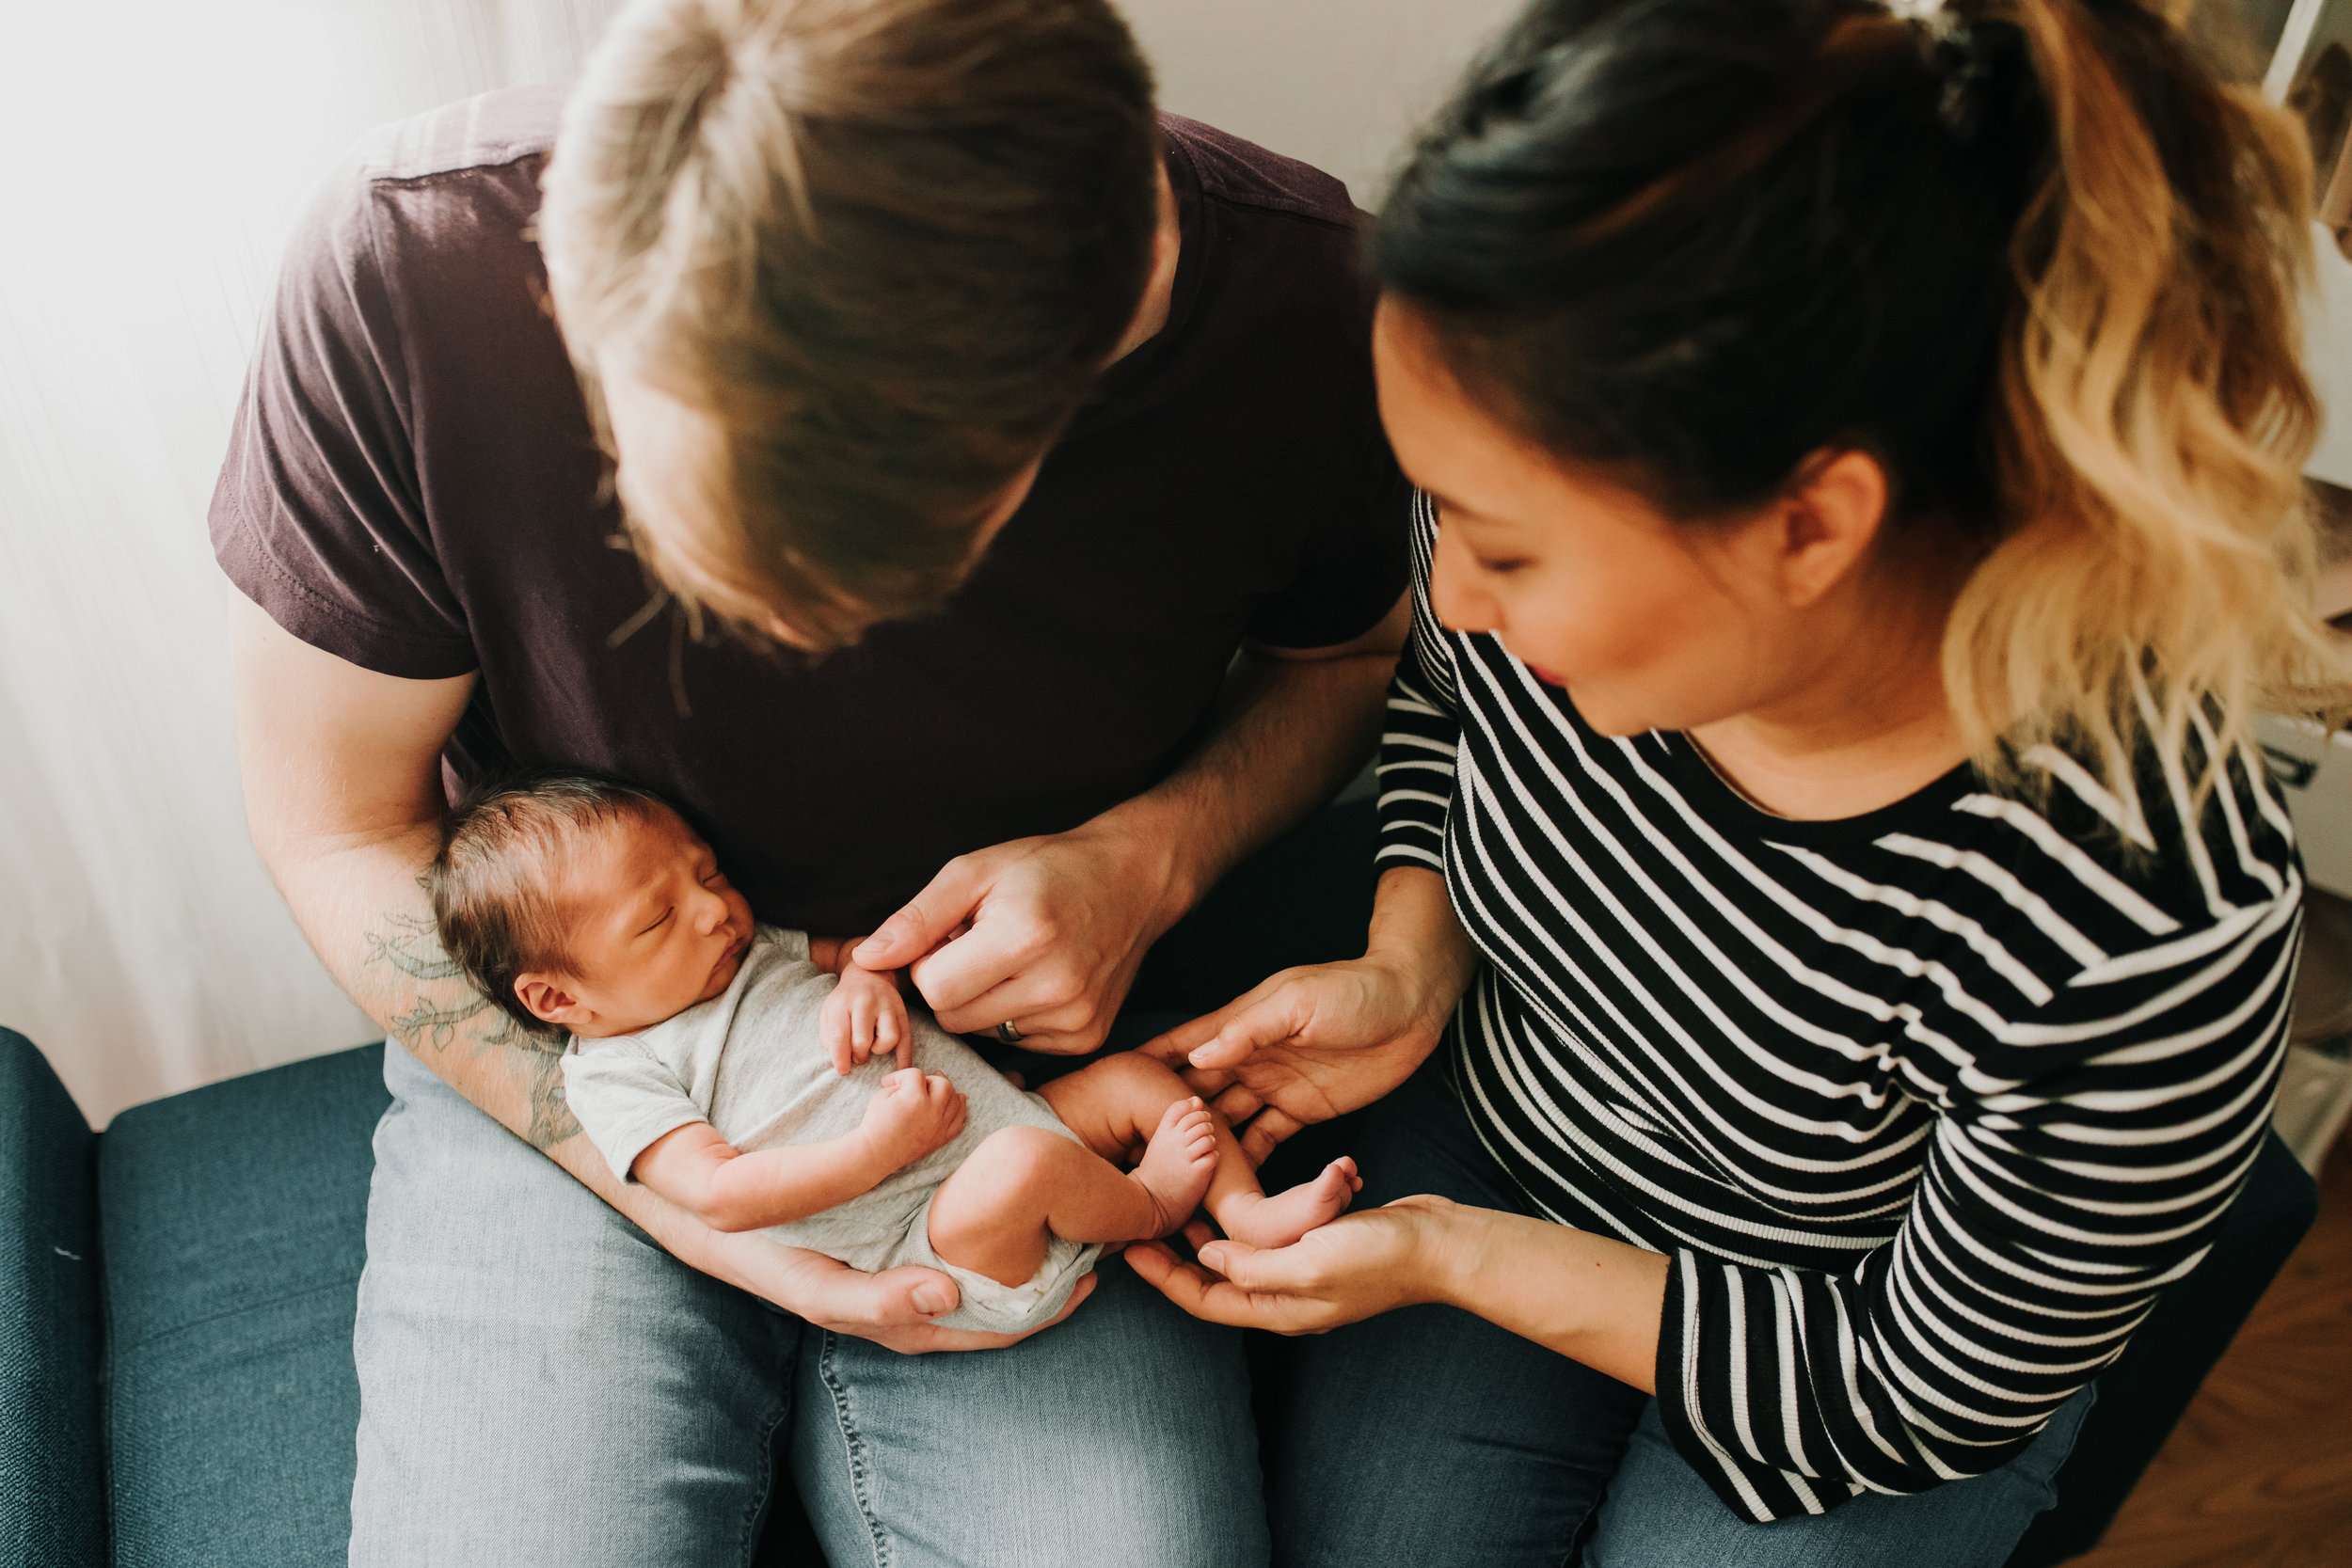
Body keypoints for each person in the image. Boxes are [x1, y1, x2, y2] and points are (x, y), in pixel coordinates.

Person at [1131, 1, 2346, 1564]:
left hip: (1867, 1360)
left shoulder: (2135, 908)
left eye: (1503, 549)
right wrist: (1409, 954)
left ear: (1807, 528)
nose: (1457, 589)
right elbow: (1440, 705)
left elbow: (1927, 1391)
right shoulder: (1516, 549)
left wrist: (1445, 1258)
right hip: (1512, 1151)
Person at [213, 0, 1407, 1560]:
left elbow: (1354, 657)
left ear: (1117, 329)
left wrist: (1155, 852)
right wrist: (656, 1176)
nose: (772, 638)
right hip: (580, 1053)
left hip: (1016, 1080)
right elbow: (341, 819)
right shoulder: (408, 267)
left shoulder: (1309, 309)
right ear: (570, 293)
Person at [425, 772, 1362, 1333]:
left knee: (1131, 1080)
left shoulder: (741, 950)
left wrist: (869, 979)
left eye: (705, 870)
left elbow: (855, 955)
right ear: (560, 997)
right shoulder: (616, 1073)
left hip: (1014, 1120)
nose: (715, 906)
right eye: (658, 915)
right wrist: (879, 1148)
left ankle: (1248, 1209)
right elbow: (718, 1193)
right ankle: (1151, 1206)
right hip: (951, 1239)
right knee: (1022, 1164)